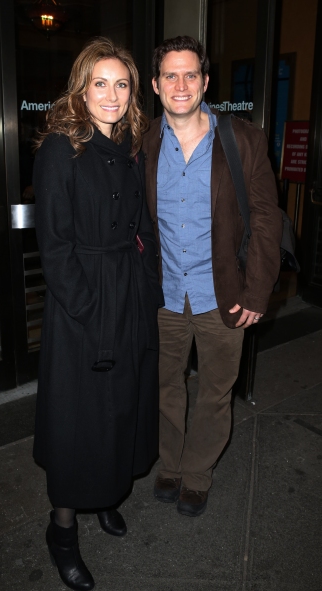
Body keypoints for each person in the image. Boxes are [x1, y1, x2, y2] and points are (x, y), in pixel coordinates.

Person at [33, 37, 163, 591]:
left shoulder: (135, 144)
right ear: (81, 89)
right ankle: (63, 529)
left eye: (122, 83)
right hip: (81, 305)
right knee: (77, 421)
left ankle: (106, 495)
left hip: (128, 294)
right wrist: (88, 308)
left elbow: (143, 225)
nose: (111, 95)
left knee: (120, 410)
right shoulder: (62, 148)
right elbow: (54, 247)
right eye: (100, 84)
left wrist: (148, 288)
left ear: (133, 91)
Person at [142, 36, 282, 518]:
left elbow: (266, 218)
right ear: (156, 85)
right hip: (163, 295)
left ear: (204, 81)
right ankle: (170, 463)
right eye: (170, 76)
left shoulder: (243, 139)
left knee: (215, 391)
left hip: (224, 290)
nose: (180, 84)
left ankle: (197, 473)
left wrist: (259, 289)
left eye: (190, 75)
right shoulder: (143, 144)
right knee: (165, 385)